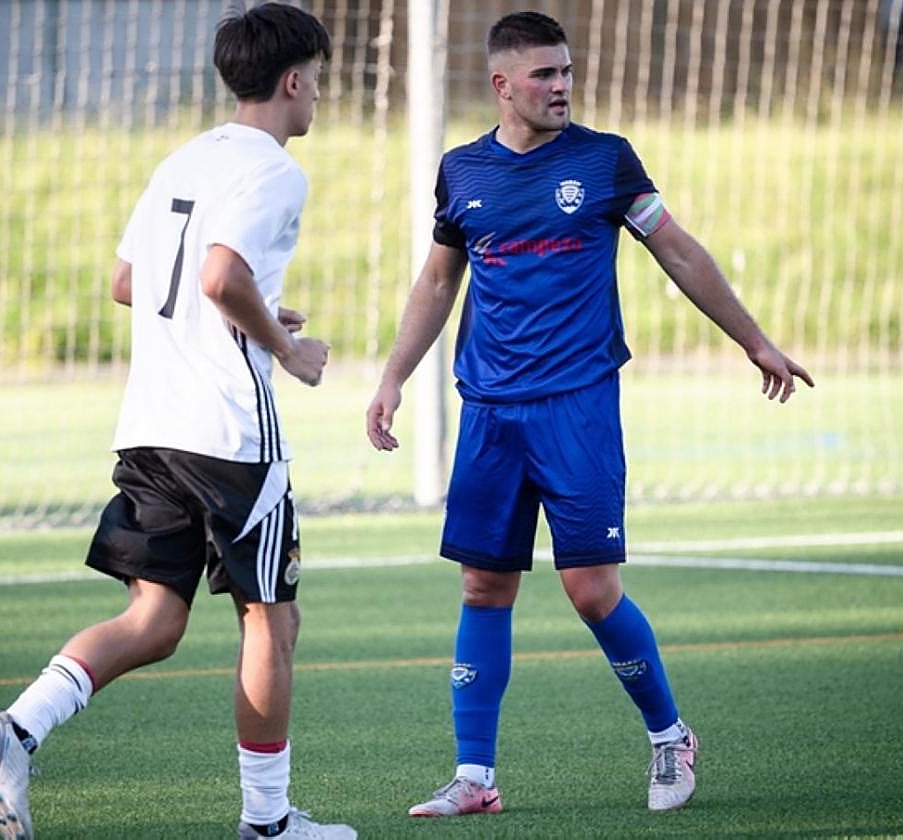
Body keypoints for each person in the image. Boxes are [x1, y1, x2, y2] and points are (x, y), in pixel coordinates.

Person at [365, 10, 813, 819]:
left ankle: (670, 735)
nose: (561, 86)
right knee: (482, 584)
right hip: (490, 411)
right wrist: (394, 376)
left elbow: (676, 247)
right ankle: (474, 777)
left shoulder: (605, 162)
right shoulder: (462, 172)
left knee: (591, 589)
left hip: (578, 406)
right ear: (502, 85)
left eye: (566, 71)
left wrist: (756, 341)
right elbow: (437, 283)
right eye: (543, 74)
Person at [0, 5, 356, 838]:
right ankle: (269, 823)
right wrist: (285, 350)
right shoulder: (278, 172)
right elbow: (218, 278)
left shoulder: (183, 158)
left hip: (149, 424)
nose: (320, 93)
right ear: (293, 80)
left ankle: (16, 730)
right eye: (318, 78)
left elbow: (126, 280)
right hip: (229, 436)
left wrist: (261, 314)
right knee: (270, 617)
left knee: (155, 619)